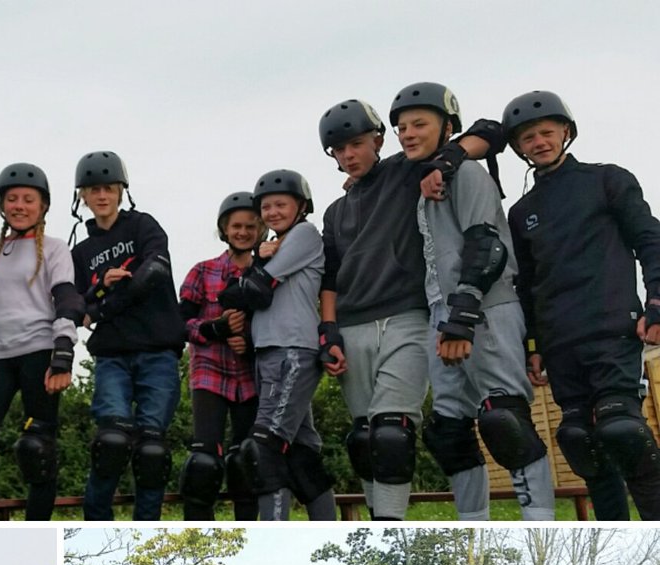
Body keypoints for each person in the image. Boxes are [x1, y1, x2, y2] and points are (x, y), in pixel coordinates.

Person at [317, 98, 500, 520]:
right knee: (363, 439)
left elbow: (491, 132)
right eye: (339, 150)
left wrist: (448, 159)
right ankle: (377, 523)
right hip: (352, 324)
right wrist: (328, 332)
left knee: (392, 434)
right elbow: (330, 277)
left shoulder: (404, 170)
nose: (349, 155)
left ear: (378, 140)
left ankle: (391, 522)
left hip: (406, 317)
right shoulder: (334, 212)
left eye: (357, 144)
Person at [390, 82, 554, 521]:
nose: (407, 133)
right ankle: (472, 524)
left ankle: (540, 522)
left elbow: (487, 247)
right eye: (401, 127)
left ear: (447, 129)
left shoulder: (466, 174)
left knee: (505, 422)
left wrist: (462, 319)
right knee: (448, 431)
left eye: (419, 124)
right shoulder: (426, 178)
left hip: (484, 308)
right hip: (441, 314)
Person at [503, 90, 660, 520]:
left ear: (566, 133)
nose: (538, 142)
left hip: (612, 329)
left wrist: (657, 300)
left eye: (546, 133)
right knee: (579, 440)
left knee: (622, 430)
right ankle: (613, 528)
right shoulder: (521, 212)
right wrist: (531, 345)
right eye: (528, 137)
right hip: (559, 342)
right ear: (518, 147)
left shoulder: (607, 179)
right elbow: (527, 286)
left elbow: (650, 239)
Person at [0, 163, 81, 522]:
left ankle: (37, 534)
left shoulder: (55, 249)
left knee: (38, 450)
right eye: (12, 199)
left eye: (28, 199)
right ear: (1, 205)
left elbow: (66, 299)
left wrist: (63, 355)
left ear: (43, 206)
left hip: (39, 352)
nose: (20, 205)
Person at [70, 151, 186, 520]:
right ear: (82, 197)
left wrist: (104, 303)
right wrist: (100, 289)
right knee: (112, 441)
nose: (102, 196)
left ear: (122, 191)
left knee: (152, 450)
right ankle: (95, 522)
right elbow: (78, 308)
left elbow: (154, 272)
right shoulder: (81, 252)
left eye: (109, 188)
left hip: (158, 349)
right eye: (93, 190)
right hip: (113, 355)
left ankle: (146, 531)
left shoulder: (143, 226)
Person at [235, 170, 336, 521]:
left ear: (301, 206)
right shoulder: (275, 244)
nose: (272, 212)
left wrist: (258, 263)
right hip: (269, 352)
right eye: (266, 207)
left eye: (280, 204)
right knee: (301, 453)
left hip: (293, 350)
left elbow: (256, 289)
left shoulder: (305, 234)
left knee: (263, 450)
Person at [176, 192, 265, 520]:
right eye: (236, 226)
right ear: (224, 230)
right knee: (204, 460)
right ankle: (199, 530)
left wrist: (249, 342)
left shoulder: (267, 274)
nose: (243, 232)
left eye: (250, 226)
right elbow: (179, 324)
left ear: (260, 230)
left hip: (251, 376)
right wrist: (216, 329)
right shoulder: (203, 271)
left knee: (247, 459)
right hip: (210, 370)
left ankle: (249, 531)